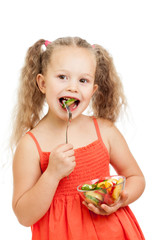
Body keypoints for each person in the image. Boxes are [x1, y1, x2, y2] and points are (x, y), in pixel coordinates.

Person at [11, 37, 145, 240]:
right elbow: (24, 215)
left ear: (92, 91)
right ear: (42, 83)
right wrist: (52, 174)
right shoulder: (30, 145)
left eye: (83, 80)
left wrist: (120, 200)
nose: (73, 87)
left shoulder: (105, 131)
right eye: (62, 77)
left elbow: (136, 178)